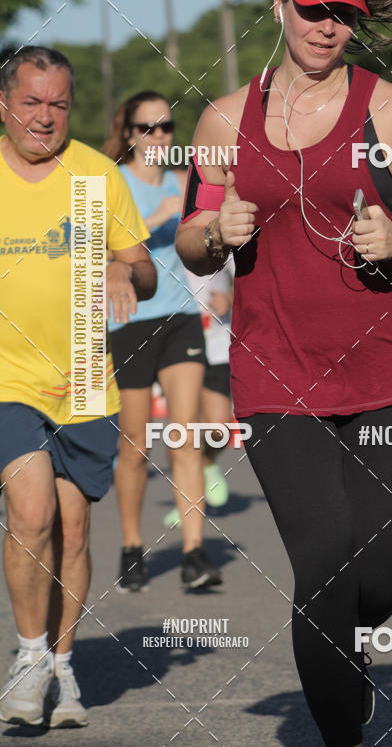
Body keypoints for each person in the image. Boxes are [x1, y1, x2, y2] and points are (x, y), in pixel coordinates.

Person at [175, 0, 392, 747]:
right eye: (312, 10)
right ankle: (343, 732)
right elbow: (189, 236)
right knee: (325, 565)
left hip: (383, 372)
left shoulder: (391, 108)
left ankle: (349, 647)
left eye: (344, 14)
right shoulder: (222, 117)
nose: (326, 28)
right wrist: (215, 229)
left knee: (377, 579)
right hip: (274, 371)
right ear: (279, 3)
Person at [0, 46, 155, 728]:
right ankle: (29, 660)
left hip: (88, 375)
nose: (45, 117)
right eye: (31, 103)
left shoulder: (96, 175)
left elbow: (144, 268)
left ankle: (63, 663)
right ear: (4, 105)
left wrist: (126, 274)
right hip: (8, 375)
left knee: (74, 523)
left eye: (58, 104)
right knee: (30, 513)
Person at [102, 93, 222, 592]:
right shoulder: (115, 182)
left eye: (167, 127)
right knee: (133, 445)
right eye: (147, 127)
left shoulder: (182, 182)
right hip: (129, 321)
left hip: (180, 317)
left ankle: (194, 554)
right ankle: (132, 545)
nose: (159, 136)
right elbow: (100, 249)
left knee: (185, 435)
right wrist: (153, 221)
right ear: (129, 133)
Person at [163, 249, 234, 530]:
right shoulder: (164, 227)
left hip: (215, 340)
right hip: (176, 341)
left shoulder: (214, 227)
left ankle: (206, 464)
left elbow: (247, 274)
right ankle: (185, 503)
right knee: (182, 427)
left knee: (220, 428)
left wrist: (230, 297)